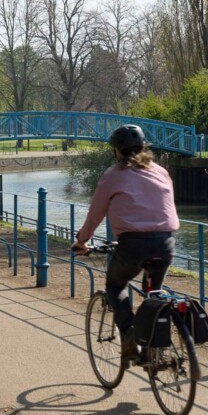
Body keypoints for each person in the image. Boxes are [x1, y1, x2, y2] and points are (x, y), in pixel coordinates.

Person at [72, 125, 179, 364]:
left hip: (133, 244)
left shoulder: (114, 175)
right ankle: (157, 349)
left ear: (117, 152)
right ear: (144, 147)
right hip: (166, 241)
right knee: (154, 293)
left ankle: (130, 337)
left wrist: (82, 240)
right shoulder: (161, 171)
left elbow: (95, 213)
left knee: (115, 285)